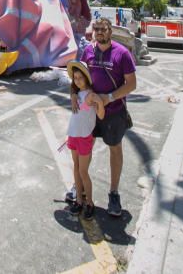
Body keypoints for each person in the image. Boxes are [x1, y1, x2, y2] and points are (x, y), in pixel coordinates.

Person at [69, 17, 136, 217]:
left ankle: (113, 193)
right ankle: (79, 186)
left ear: (110, 31)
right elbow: (79, 76)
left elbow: (131, 84)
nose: (99, 32)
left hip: (113, 111)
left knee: (115, 149)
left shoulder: (122, 54)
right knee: (83, 147)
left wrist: (109, 97)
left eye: (103, 29)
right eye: (96, 29)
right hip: (90, 112)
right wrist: (73, 93)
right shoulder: (88, 51)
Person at [66, 60, 105, 219]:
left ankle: (89, 202)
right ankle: (79, 200)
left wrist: (99, 102)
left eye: (81, 77)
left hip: (84, 138)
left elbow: (101, 115)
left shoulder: (90, 95)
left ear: (87, 78)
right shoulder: (77, 94)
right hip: (73, 135)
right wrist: (73, 94)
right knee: (76, 168)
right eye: (75, 78)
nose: (77, 80)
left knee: (83, 171)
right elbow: (74, 92)